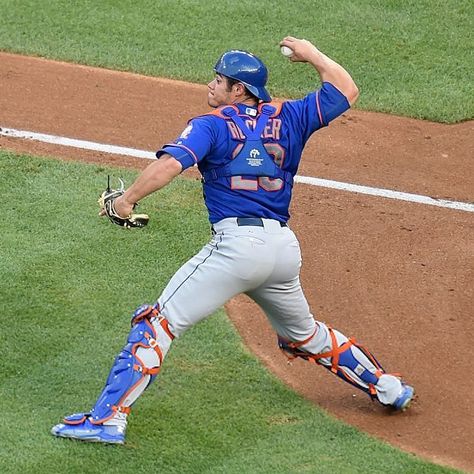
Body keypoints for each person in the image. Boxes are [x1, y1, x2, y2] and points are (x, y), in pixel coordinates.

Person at [52, 36, 414, 444]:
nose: (211, 85)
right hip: (282, 251)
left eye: (218, 79)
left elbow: (171, 164)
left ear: (237, 90)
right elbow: (347, 89)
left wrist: (125, 201)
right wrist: (311, 54)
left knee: (157, 324)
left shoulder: (211, 125)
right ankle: (388, 387)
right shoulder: (291, 117)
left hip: (236, 249)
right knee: (305, 334)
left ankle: (105, 421)